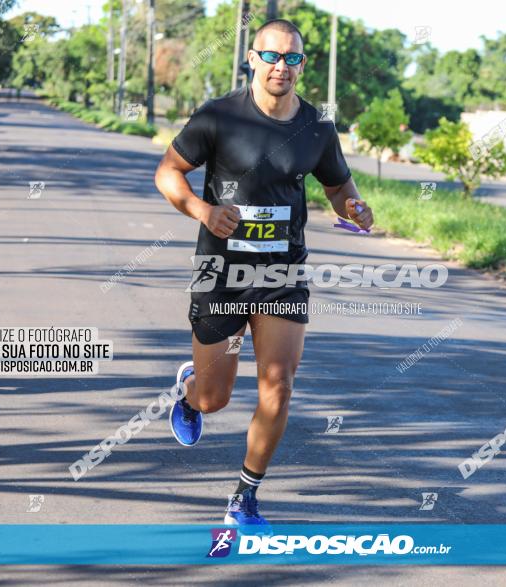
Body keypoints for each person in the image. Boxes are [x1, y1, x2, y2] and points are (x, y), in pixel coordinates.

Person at [154, 18, 373, 533]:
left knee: (279, 381)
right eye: (271, 56)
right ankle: (190, 391)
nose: (281, 67)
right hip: (221, 273)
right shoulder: (218, 117)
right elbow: (168, 172)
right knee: (216, 397)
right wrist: (202, 211)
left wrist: (354, 207)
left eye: (292, 58)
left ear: (302, 64)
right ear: (252, 59)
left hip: (283, 273)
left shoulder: (316, 127)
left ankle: (244, 498)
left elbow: (339, 188)